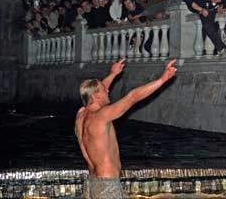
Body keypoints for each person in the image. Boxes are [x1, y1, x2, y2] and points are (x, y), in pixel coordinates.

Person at [76, 58, 177, 199]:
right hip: (107, 185)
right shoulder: (102, 116)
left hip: (93, 181)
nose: (108, 89)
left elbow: (96, 91)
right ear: (97, 96)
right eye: (104, 90)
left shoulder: (81, 115)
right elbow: (132, 97)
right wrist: (162, 79)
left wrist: (113, 74)